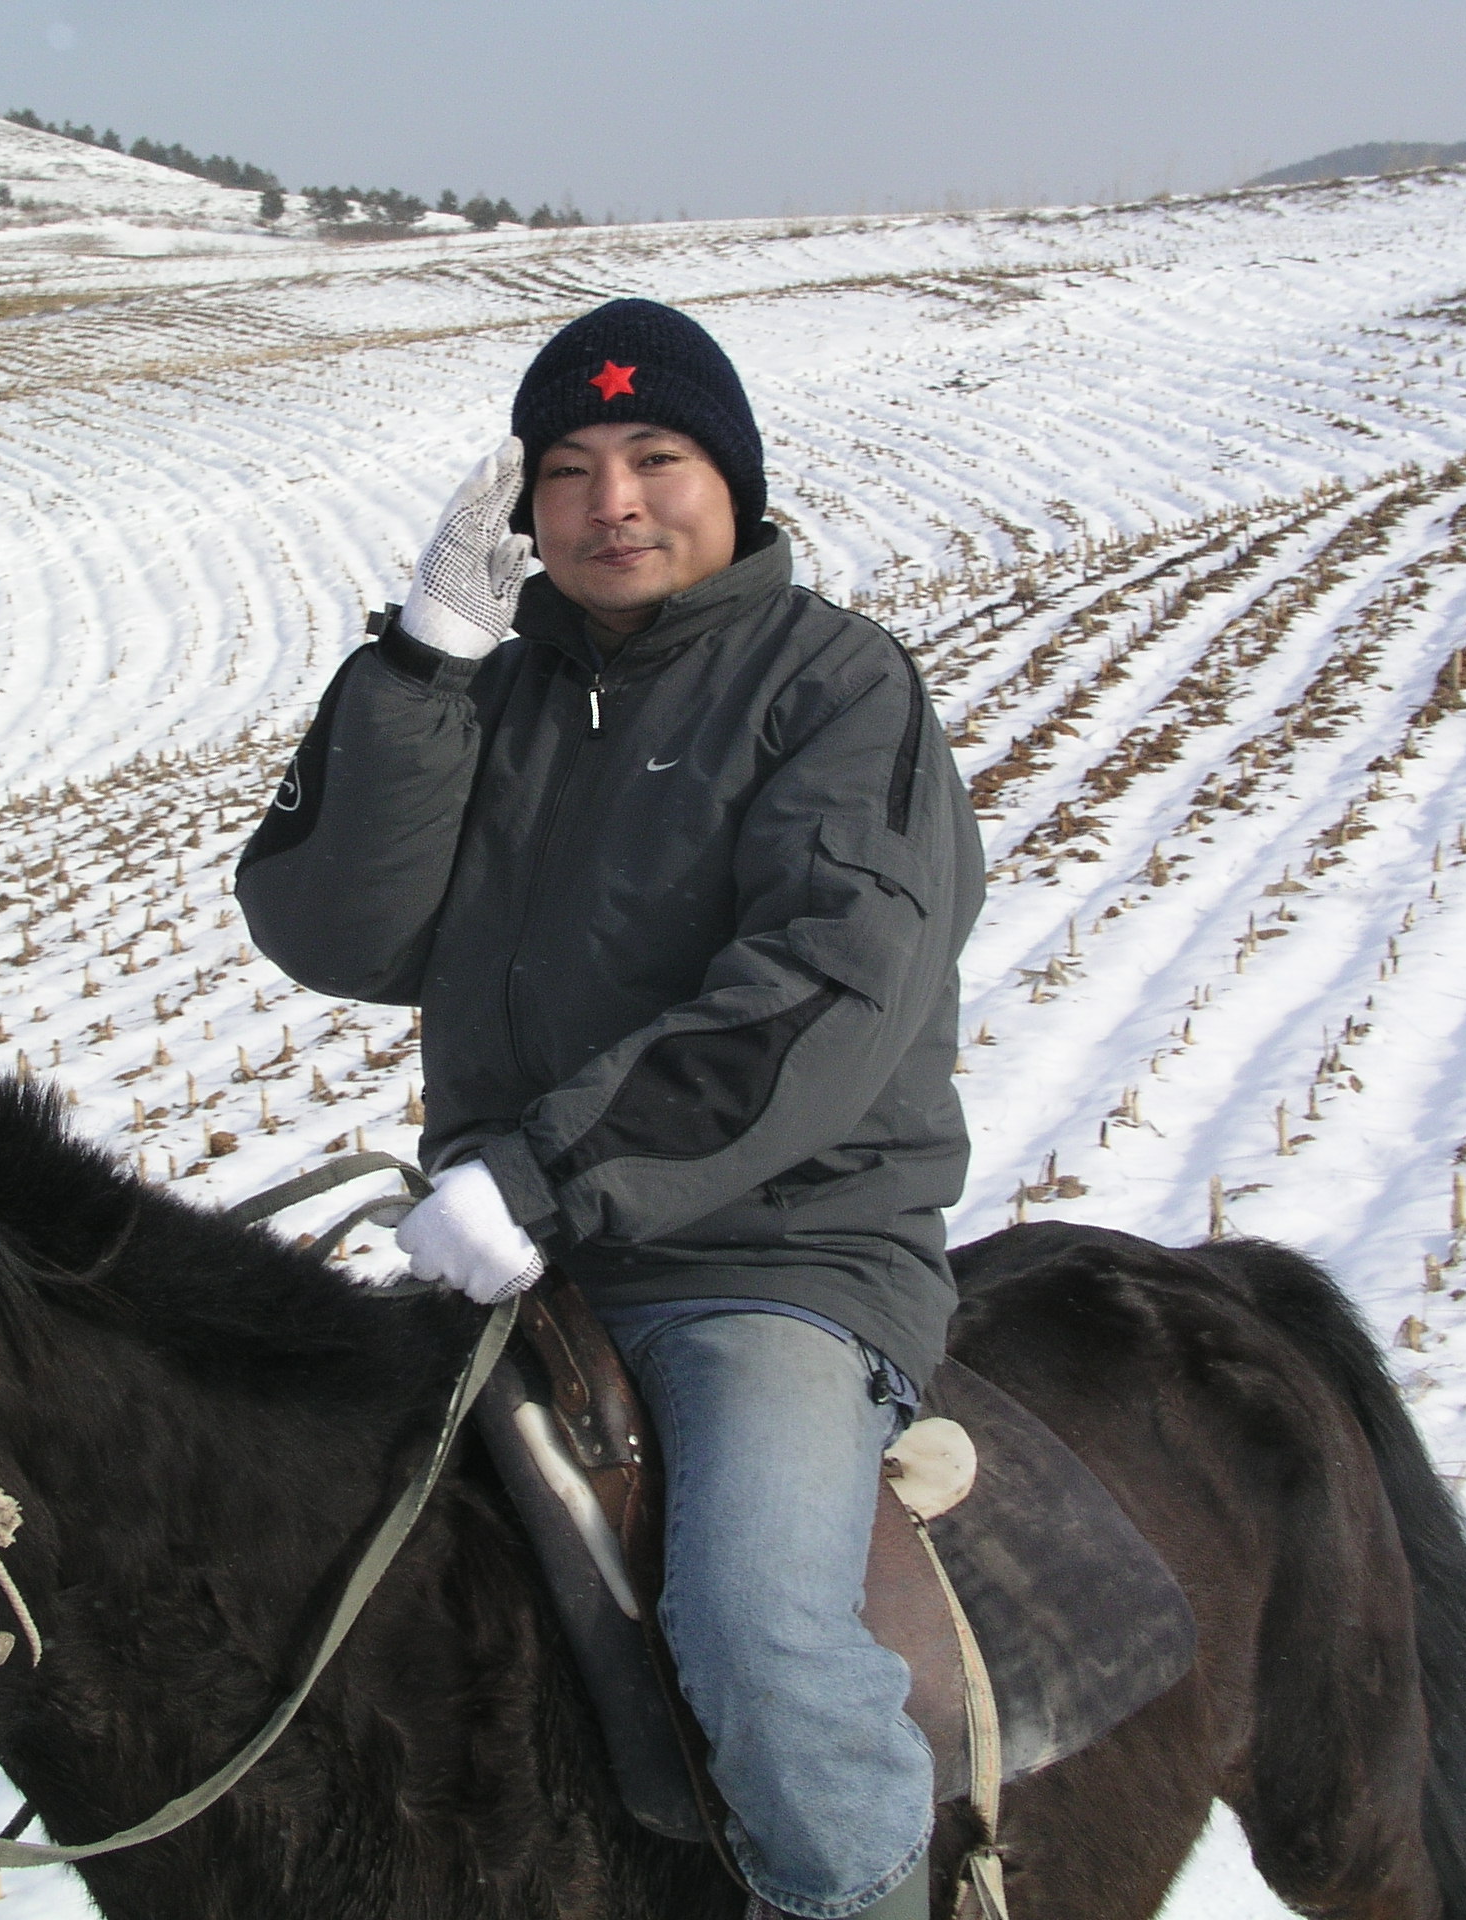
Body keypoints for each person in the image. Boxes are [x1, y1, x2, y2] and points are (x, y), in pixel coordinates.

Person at [235, 297, 982, 1920]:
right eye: (565, 470)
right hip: (519, 1261)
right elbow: (337, 929)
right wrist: (424, 663)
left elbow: (821, 996)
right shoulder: (489, 701)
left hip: (770, 1259)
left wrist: (544, 1176)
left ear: (735, 481)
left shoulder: (835, 688)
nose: (611, 501)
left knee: (755, 1633)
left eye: (656, 456)